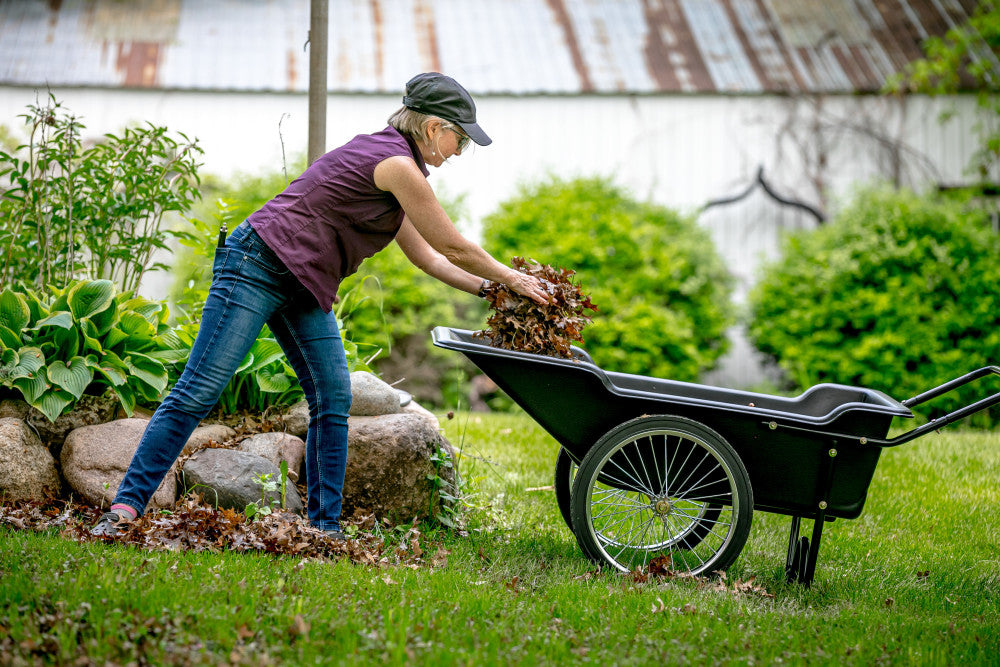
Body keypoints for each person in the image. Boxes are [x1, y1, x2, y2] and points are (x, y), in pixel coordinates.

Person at [91, 72, 549, 538]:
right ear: (433, 128)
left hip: (305, 283)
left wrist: (495, 293)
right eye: (459, 139)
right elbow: (453, 246)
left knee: (333, 397)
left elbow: (429, 257)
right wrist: (515, 278)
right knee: (199, 390)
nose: (458, 151)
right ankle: (125, 507)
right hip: (256, 263)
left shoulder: (399, 171)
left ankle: (324, 528)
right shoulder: (395, 164)